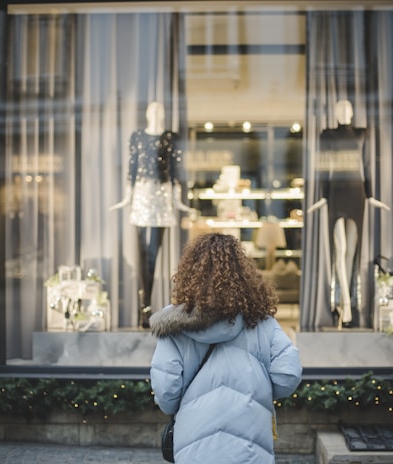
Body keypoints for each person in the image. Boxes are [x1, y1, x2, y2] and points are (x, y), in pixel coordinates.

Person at [150, 233, 302, 464]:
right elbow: (287, 374)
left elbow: (166, 390)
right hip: (250, 442)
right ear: (243, 273)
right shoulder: (261, 321)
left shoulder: (174, 326)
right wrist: (256, 392)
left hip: (196, 443)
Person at [110, 101, 193, 328]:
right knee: (142, 253)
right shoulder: (137, 137)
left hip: (162, 195)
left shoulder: (171, 138)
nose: (156, 112)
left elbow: (175, 170)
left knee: (153, 252)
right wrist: (127, 198)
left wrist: (179, 201)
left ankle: (146, 307)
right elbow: (132, 167)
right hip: (142, 194)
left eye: (160, 109)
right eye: (152, 109)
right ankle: (144, 306)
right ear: (146, 113)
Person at [308, 99, 389, 328]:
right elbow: (324, 168)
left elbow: (366, 167)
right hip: (335, 193)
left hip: (356, 194)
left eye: (346, 108)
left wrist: (370, 195)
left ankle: (347, 307)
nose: (343, 112)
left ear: (353, 112)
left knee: (351, 253)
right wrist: (323, 196)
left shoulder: (363, 134)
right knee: (339, 250)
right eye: (338, 108)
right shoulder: (327, 135)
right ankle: (345, 304)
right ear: (333, 112)